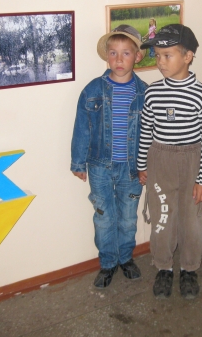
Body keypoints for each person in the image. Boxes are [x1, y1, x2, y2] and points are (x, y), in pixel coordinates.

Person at [137, 24, 202, 299]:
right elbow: (146, 132)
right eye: (157, 55)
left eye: (167, 55)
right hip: (160, 161)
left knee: (192, 220)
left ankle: (189, 269)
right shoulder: (152, 92)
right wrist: (142, 165)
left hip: (193, 160)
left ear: (187, 56)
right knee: (162, 217)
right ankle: (163, 267)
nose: (160, 62)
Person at [70, 25, 148, 289]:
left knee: (128, 217)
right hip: (99, 166)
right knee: (103, 216)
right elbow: (82, 127)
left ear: (137, 56)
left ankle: (125, 258)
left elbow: (151, 132)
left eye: (126, 53)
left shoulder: (145, 92)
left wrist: (148, 165)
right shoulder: (93, 90)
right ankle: (107, 263)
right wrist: (78, 163)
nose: (119, 59)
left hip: (132, 168)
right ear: (106, 56)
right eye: (113, 53)